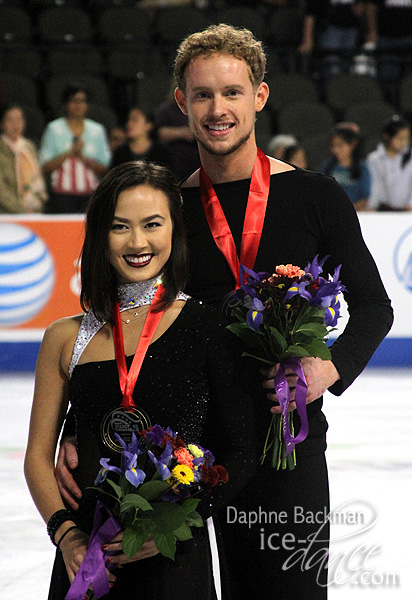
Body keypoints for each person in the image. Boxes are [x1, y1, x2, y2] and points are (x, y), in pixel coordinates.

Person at [55, 24, 393, 599]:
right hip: (190, 455)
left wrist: (327, 370)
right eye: (203, 95)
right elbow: (129, 318)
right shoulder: (168, 211)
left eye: (232, 92)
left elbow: (373, 307)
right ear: (182, 103)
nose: (218, 109)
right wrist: (79, 421)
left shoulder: (316, 196)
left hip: (287, 443)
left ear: (259, 97)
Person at [24, 160, 256, 600]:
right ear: (100, 235)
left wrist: (181, 521)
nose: (137, 242)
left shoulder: (208, 328)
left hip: (174, 558)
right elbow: (37, 454)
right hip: (89, 558)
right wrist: (67, 536)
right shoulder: (63, 337)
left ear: (175, 229)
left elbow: (241, 450)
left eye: (152, 224)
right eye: (119, 227)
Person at [38, 84, 111, 213]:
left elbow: (105, 168)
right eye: (73, 101)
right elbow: (44, 167)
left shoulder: (97, 130)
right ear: (64, 104)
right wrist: (70, 152)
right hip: (61, 195)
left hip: (91, 195)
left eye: (82, 101)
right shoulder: (53, 129)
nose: (78, 105)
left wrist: (83, 158)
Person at [0, 104, 47, 213]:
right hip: (5, 214)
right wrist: (22, 211)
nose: (15, 124)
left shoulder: (29, 147)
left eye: (19, 119)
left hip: (33, 211)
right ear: (2, 124)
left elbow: (37, 179)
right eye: (10, 119)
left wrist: (37, 205)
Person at [154, 80, 200, 182]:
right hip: (175, 161)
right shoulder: (167, 108)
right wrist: (183, 133)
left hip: (200, 160)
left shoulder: (199, 106)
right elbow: (161, 132)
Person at [320, 122, 371, 211]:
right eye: (333, 146)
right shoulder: (327, 167)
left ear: (353, 144)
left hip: (356, 214)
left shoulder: (362, 168)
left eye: (340, 146)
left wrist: (347, 211)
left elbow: (364, 198)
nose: (335, 150)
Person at [367, 114, 412, 211]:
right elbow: (375, 186)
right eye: (400, 138)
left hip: (408, 210)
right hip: (383, 210)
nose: (404, 142)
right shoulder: (374, 159)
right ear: (387, 137)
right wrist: (371, 206)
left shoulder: (410, 158)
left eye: (406, 138)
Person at [109, 107, 175, 172]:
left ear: (148, 125)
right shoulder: (120, 153)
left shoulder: (161, 152)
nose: (129, 124)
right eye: (129, 120)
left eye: (135, 120)